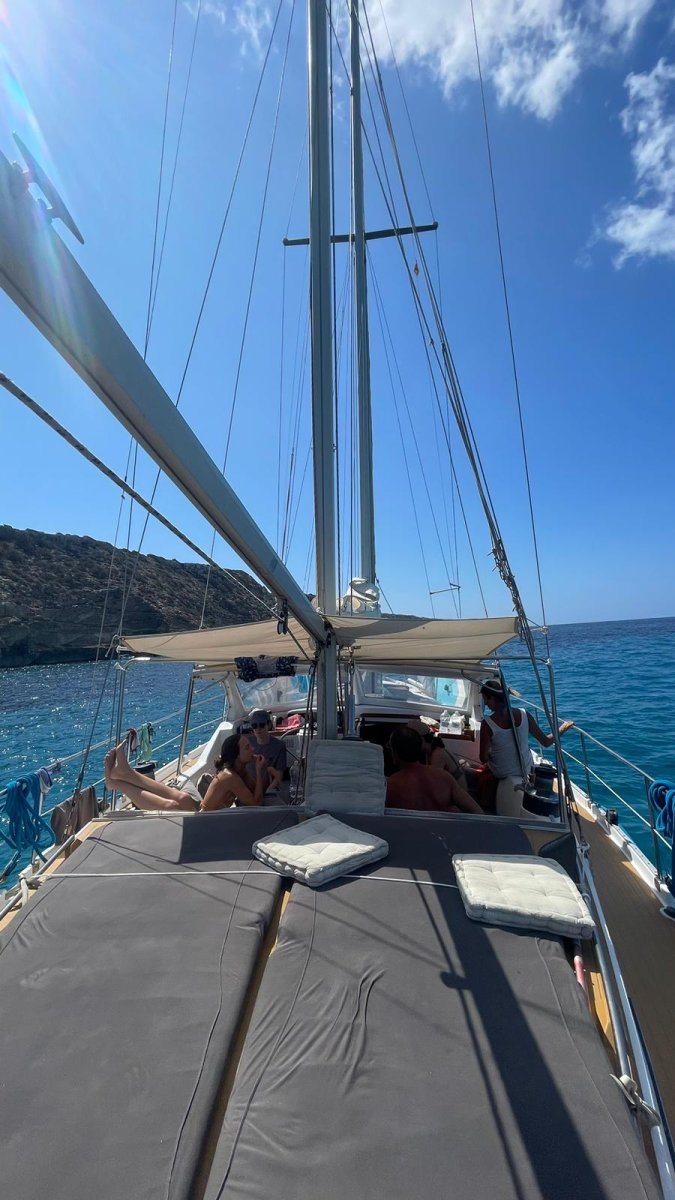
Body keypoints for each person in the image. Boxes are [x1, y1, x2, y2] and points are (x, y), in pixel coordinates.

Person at [104, 734, 267, 812]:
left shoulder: (239, 770)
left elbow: (257, 793)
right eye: (247, 747)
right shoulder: (229, 776)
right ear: (236, 755)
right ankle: (123, 776)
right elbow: (256, 802)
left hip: (203, 814)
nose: (252, 749)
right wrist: (259, 771)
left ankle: (119, 780)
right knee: (181, 799)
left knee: (178, 801)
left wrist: (259, 770)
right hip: (205, 820)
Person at [479, 679, 574, 785]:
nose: (486, 704)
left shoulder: (487, 724)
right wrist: (564, 727)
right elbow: (546, 742)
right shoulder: (525, 715)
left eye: (485, 700)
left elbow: (483, 758)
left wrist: (491, 753)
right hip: (525, 771)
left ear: (491, 698)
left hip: (502, 773)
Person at [386, 727, 483, 814]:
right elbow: (477, 812)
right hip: (444, 830)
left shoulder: (390, 786)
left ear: (395, 754)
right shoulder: (444, 777)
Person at [246, 709, 289, 802]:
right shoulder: (247, 743)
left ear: (268, 725)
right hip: (249, 785)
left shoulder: (279, 746)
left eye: (261, 725)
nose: (258, 729)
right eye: (254, 726)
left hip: (268, 786)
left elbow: (279, 774)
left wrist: (268, 792)